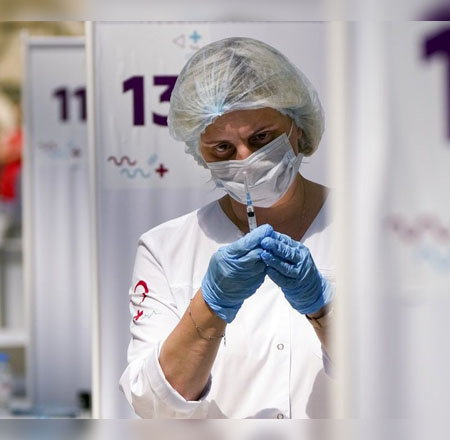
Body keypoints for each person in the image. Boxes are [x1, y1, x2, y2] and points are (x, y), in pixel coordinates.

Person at [119, 37, 335, 419]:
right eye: (222, 148)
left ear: (298, 127)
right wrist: (210, 306)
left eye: (261, 138)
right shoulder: (165, 250)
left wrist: (325, 309)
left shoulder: (368, 228)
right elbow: (154, 405)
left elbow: (405, 370)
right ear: (200, 152)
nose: (245, 159)